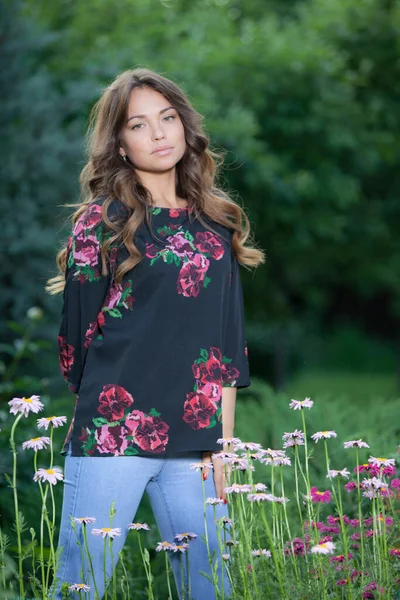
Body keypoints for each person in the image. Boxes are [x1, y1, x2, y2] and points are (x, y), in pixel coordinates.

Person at [46, 67, 264, 599]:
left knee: (210, 589)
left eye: (167, 119)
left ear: (186, 127)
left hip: (198, 444)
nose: (159, 134)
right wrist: (115, 397)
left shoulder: (217, 225)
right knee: (82, 587)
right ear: (119, 144)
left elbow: (227, 349)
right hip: (113, 434)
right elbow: (75, 340)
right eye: (139, 125)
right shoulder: (101, 222)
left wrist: (224, 445)